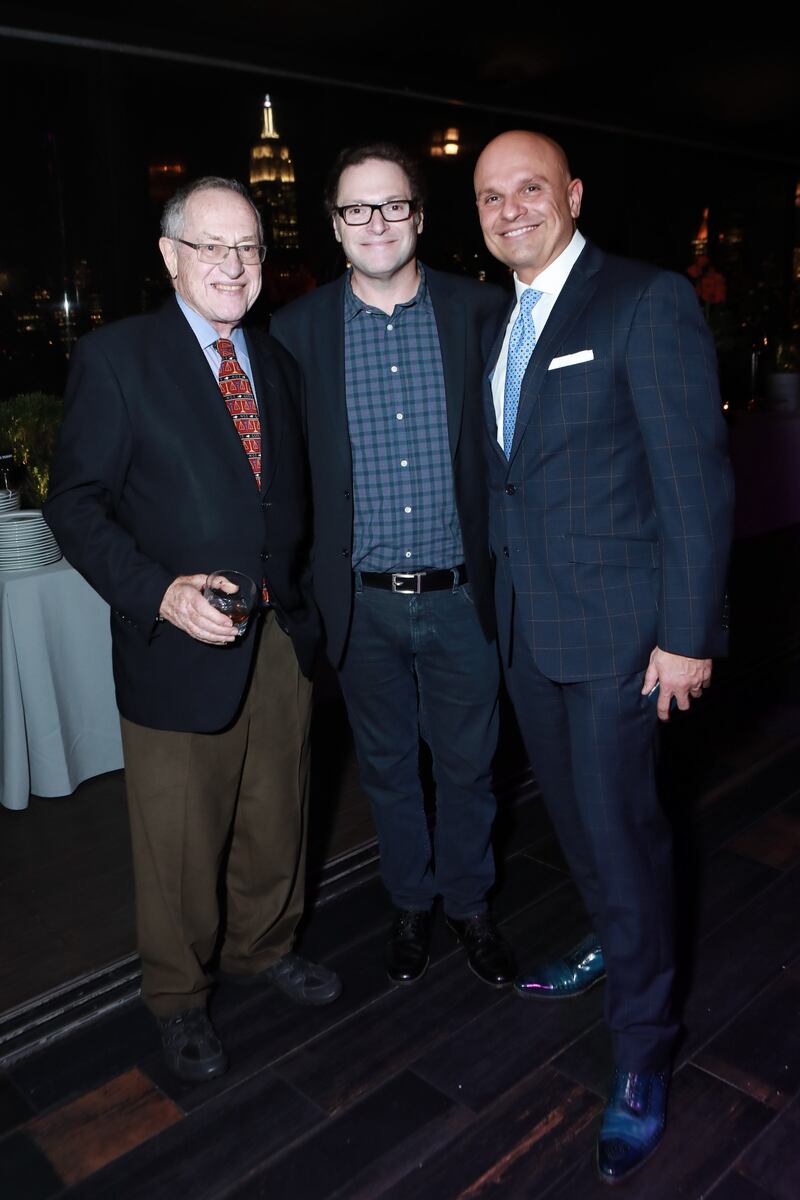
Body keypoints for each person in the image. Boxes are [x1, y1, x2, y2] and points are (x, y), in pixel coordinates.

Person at [473, 131, 733, 1182]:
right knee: (576, 822)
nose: (509, 209)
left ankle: (641, 1052)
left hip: (626, 642)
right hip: (532, 633)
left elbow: (694, 483)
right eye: (490, 196)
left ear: (571, 195)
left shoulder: (642, 299)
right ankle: (606, 941)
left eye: (529, 188)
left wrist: (685, 634)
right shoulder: (500, 320)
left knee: (624, 836)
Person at [44, 177, 341, 1085]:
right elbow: (76, 503)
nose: (233, 264)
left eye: (247, 247)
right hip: (174, 646)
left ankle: (265, 944)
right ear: (170, 256)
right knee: (178, 842)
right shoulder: (117, 358)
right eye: (210, 246)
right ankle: (177, 997)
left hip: (279, 638)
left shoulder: (277, 361)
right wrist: (157, 593)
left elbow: (287, 502)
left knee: (276, 814)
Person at [270, 144, 515, 989]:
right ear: (336, 229)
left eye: (391, 205)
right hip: (362, 606)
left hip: (463, 597)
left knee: (469, 768)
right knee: (385, 770)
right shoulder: (296, 334)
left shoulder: (485, 313)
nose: (375, 223)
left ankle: (470, 904)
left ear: (419, 214)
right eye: (355, 210)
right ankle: (411, 903)